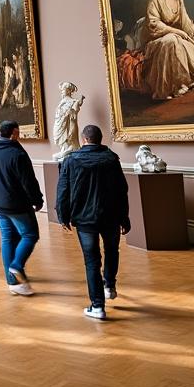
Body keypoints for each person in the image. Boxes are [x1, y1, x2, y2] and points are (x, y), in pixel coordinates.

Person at [56, 125, 130, 320]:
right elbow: (122, 190)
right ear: (99, 138)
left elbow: (63, 190)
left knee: (91, 260)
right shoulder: (111, 159)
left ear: (83, 139)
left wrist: (63, 216)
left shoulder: (71, 160)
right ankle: (110, 286)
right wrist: (124, 217)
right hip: (111, 216)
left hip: (85, 218)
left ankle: (97, 306)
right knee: (112, 250)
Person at [0, 120, 44, 296]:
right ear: (14, 133)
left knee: (7, 239)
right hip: (17, 204)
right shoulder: (17, 154)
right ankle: (16, 266)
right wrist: (37, 199)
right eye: (18, 133)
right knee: (30, 235)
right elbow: (28, 181)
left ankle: (12, 283)